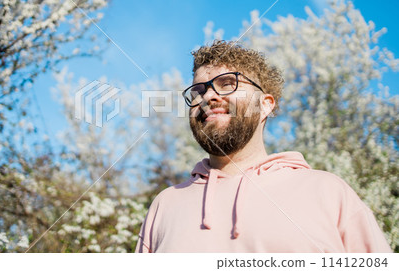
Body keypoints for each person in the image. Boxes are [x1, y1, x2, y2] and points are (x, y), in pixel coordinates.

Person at [135, 40, 391, 253]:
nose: (209, 97)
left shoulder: (328, 193)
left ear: (266, 105)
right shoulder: (165, 205)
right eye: (199, 91)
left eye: (228, 83)